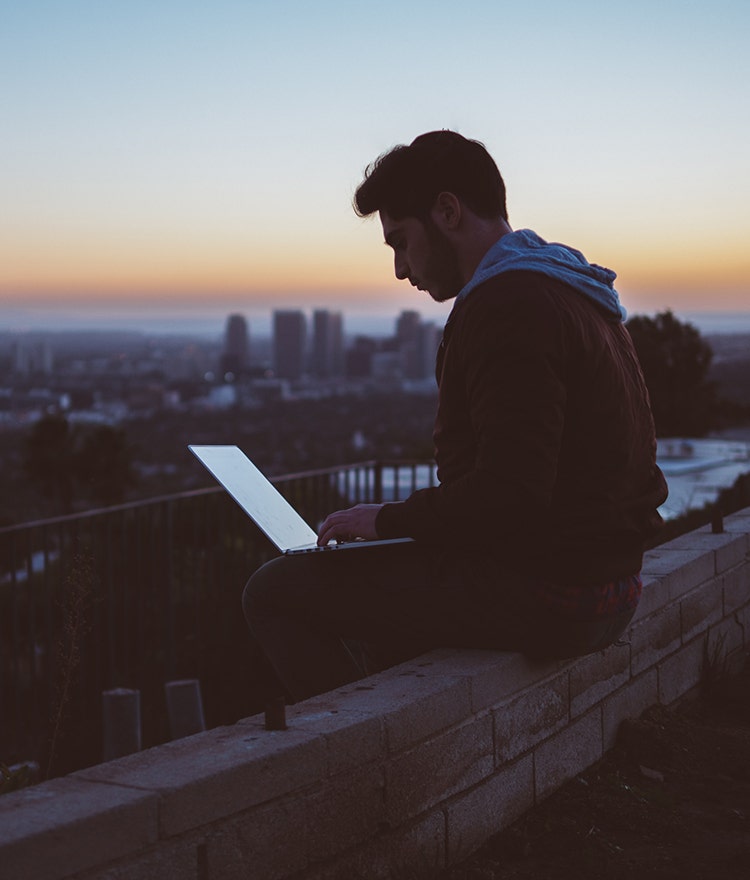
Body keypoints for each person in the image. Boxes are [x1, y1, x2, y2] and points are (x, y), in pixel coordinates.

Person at [243, 130, 668, 704]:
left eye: (401, 242)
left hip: (557, 594)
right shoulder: (571, 289)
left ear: (447, 211)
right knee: (384, 591)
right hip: (607, 582)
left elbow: (511, 493)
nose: (400, 269)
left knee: (274, 591)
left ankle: (358, 760)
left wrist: (386, 520)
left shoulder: (507, 305)